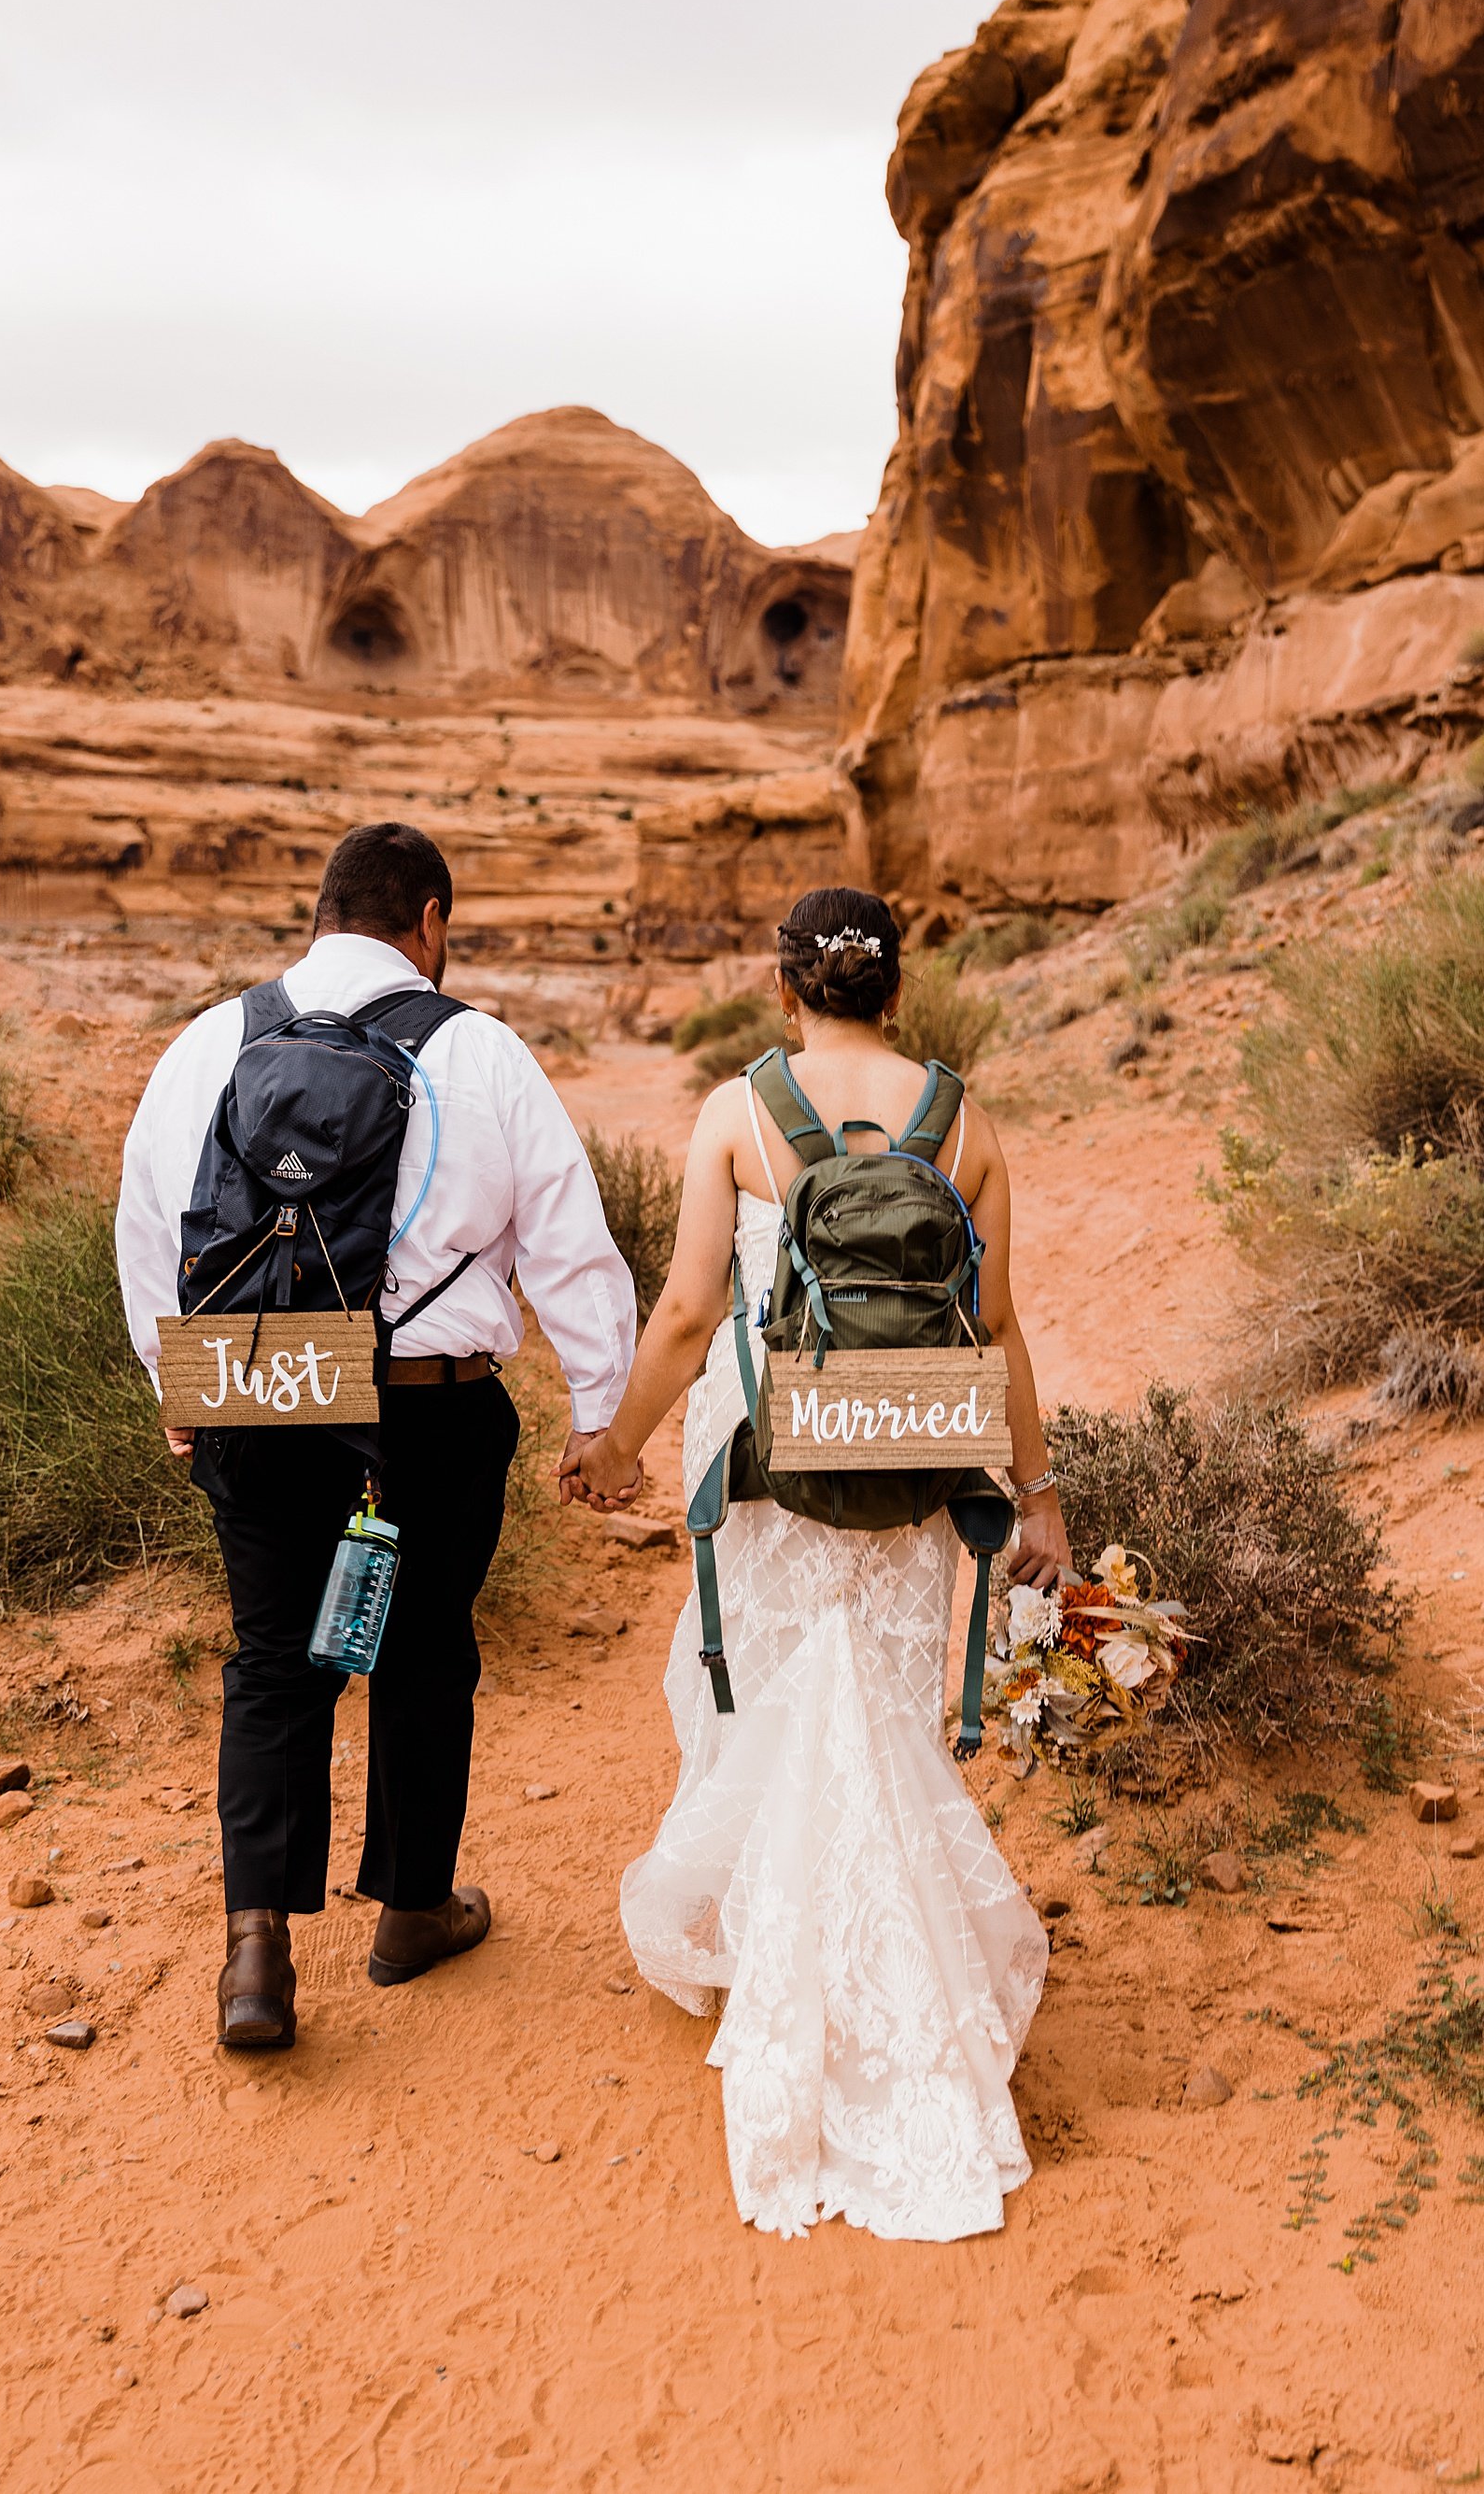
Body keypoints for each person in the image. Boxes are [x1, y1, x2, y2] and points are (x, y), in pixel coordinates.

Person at [561, 884, 1067, 2241]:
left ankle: (781, 1954)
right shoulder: (963, 1119)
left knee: (776, 1688)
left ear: (786, 990)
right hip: (915, 1436)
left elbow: (682, 1310)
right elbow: (1002, 1322)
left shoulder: (739, 1114)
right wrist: (1042, 1497)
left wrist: (617, 1447)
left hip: (773, 1441)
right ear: (897, 992)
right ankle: (891, 1970)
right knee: (883, 1698)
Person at [117, 822, 634, 2048]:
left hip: (253, 1379)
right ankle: (410, 1907)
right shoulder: (486, 1053)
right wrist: (603, 1413)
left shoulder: (212, 1041)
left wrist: (175, 1380)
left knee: (271, 1661)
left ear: (320, 914)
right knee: (424, 1651)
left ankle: (257, 1952)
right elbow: (568, 1237)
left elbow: (150, 1216)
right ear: (431, 921)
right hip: (427, 1401)